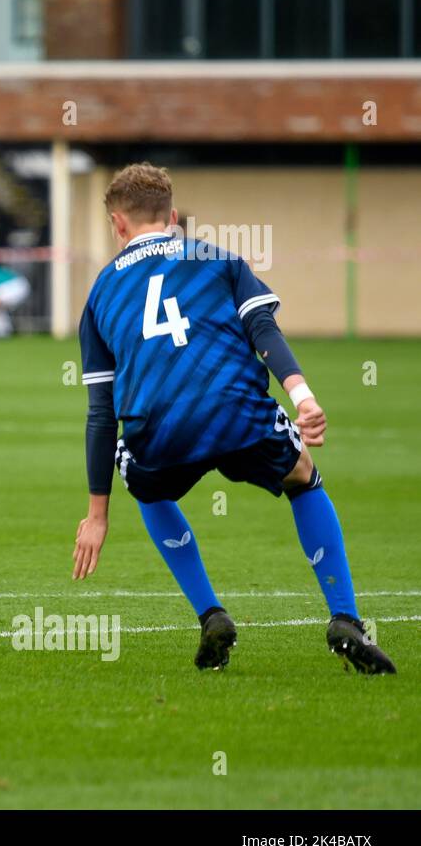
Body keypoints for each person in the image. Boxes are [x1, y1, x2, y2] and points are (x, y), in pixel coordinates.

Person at [72, 163, 394, 674]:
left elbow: (99, 413)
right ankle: (345, 619)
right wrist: (302, 395)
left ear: (117, 224)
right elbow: (263, 330)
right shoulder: (218, 259)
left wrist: (97, 515)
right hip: (237, 413)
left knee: (148, 486)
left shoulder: (100, 295)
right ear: (173, 216)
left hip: (159, 432)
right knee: (303, 478)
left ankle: (210, 613)